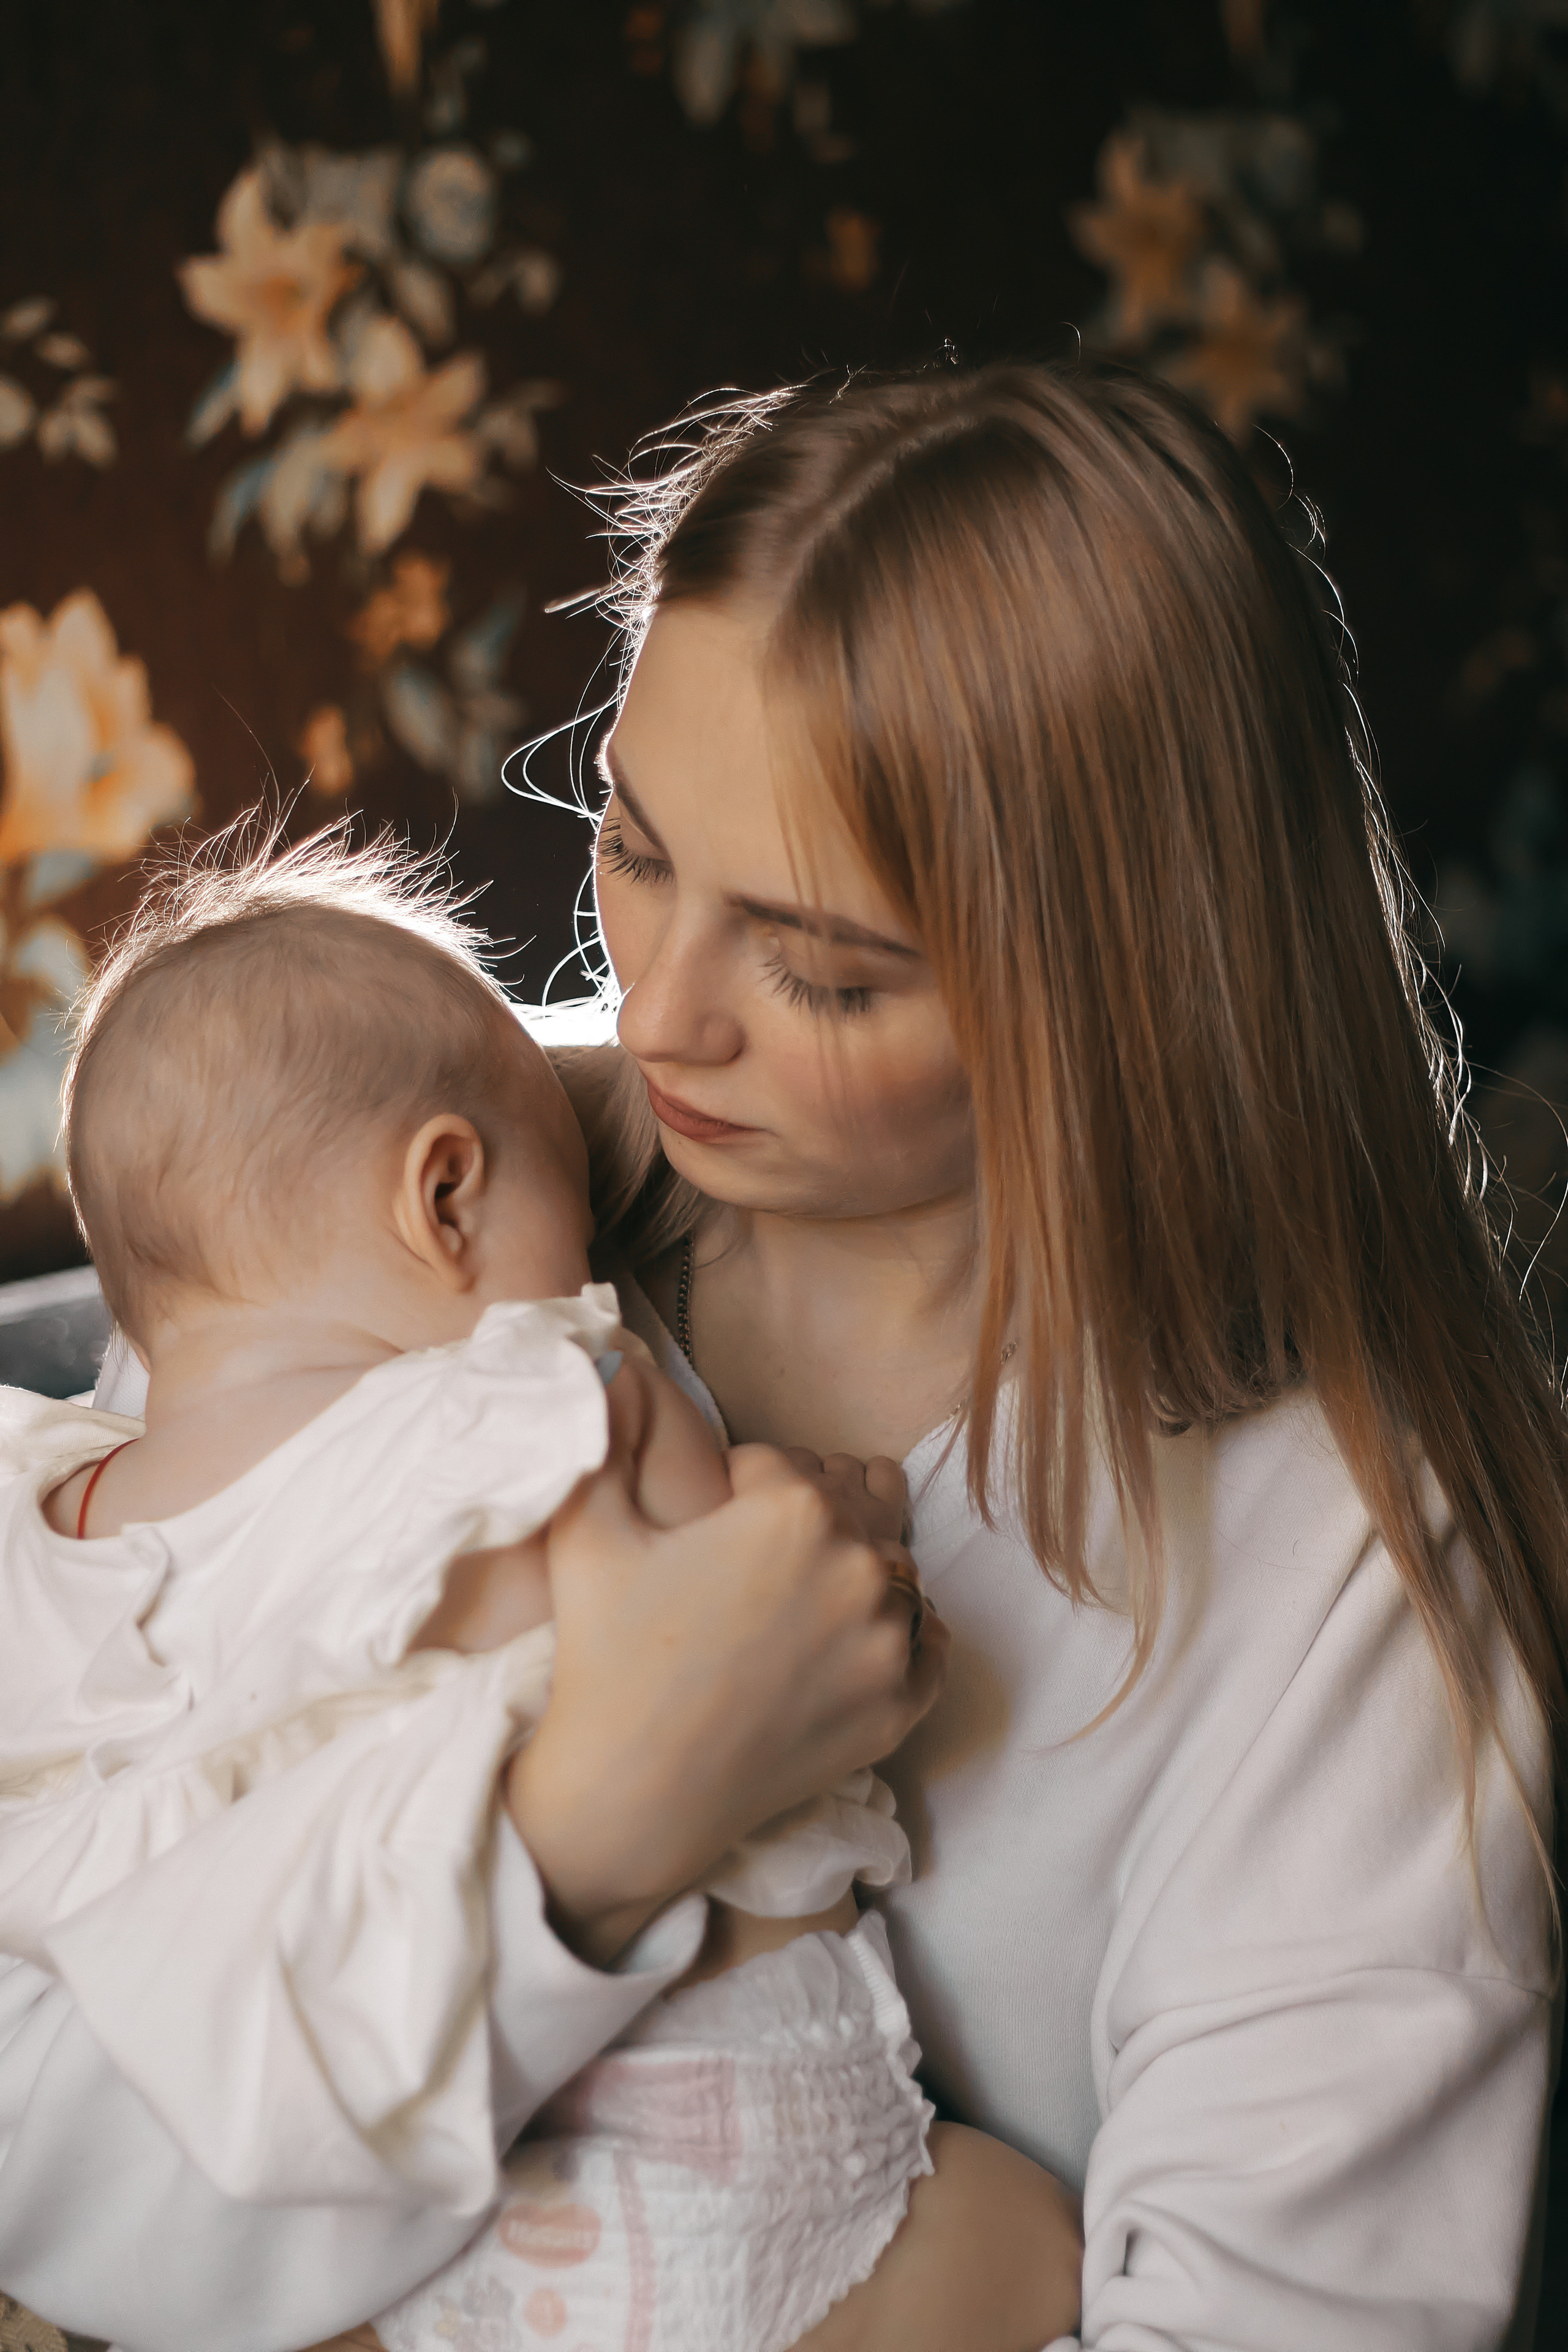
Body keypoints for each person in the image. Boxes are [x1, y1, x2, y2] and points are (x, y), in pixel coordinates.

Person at [3, 353, 1564, 2350]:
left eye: (821, 967)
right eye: (636, 849)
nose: (656, 1019)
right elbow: (49, 2107)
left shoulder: (1355, 1572)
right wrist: (586, 1830)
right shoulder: (422, 1190)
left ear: (1127, 997)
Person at [0, 825, 1080, 2352]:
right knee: (1020, 2233)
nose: (589, 1263)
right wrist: (830, 1504)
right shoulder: (537, 1403)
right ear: (444, 1200)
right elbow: (763, 1592)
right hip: (719, 2161)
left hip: (399, 2276)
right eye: (566, 1208)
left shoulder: (41, 1533)